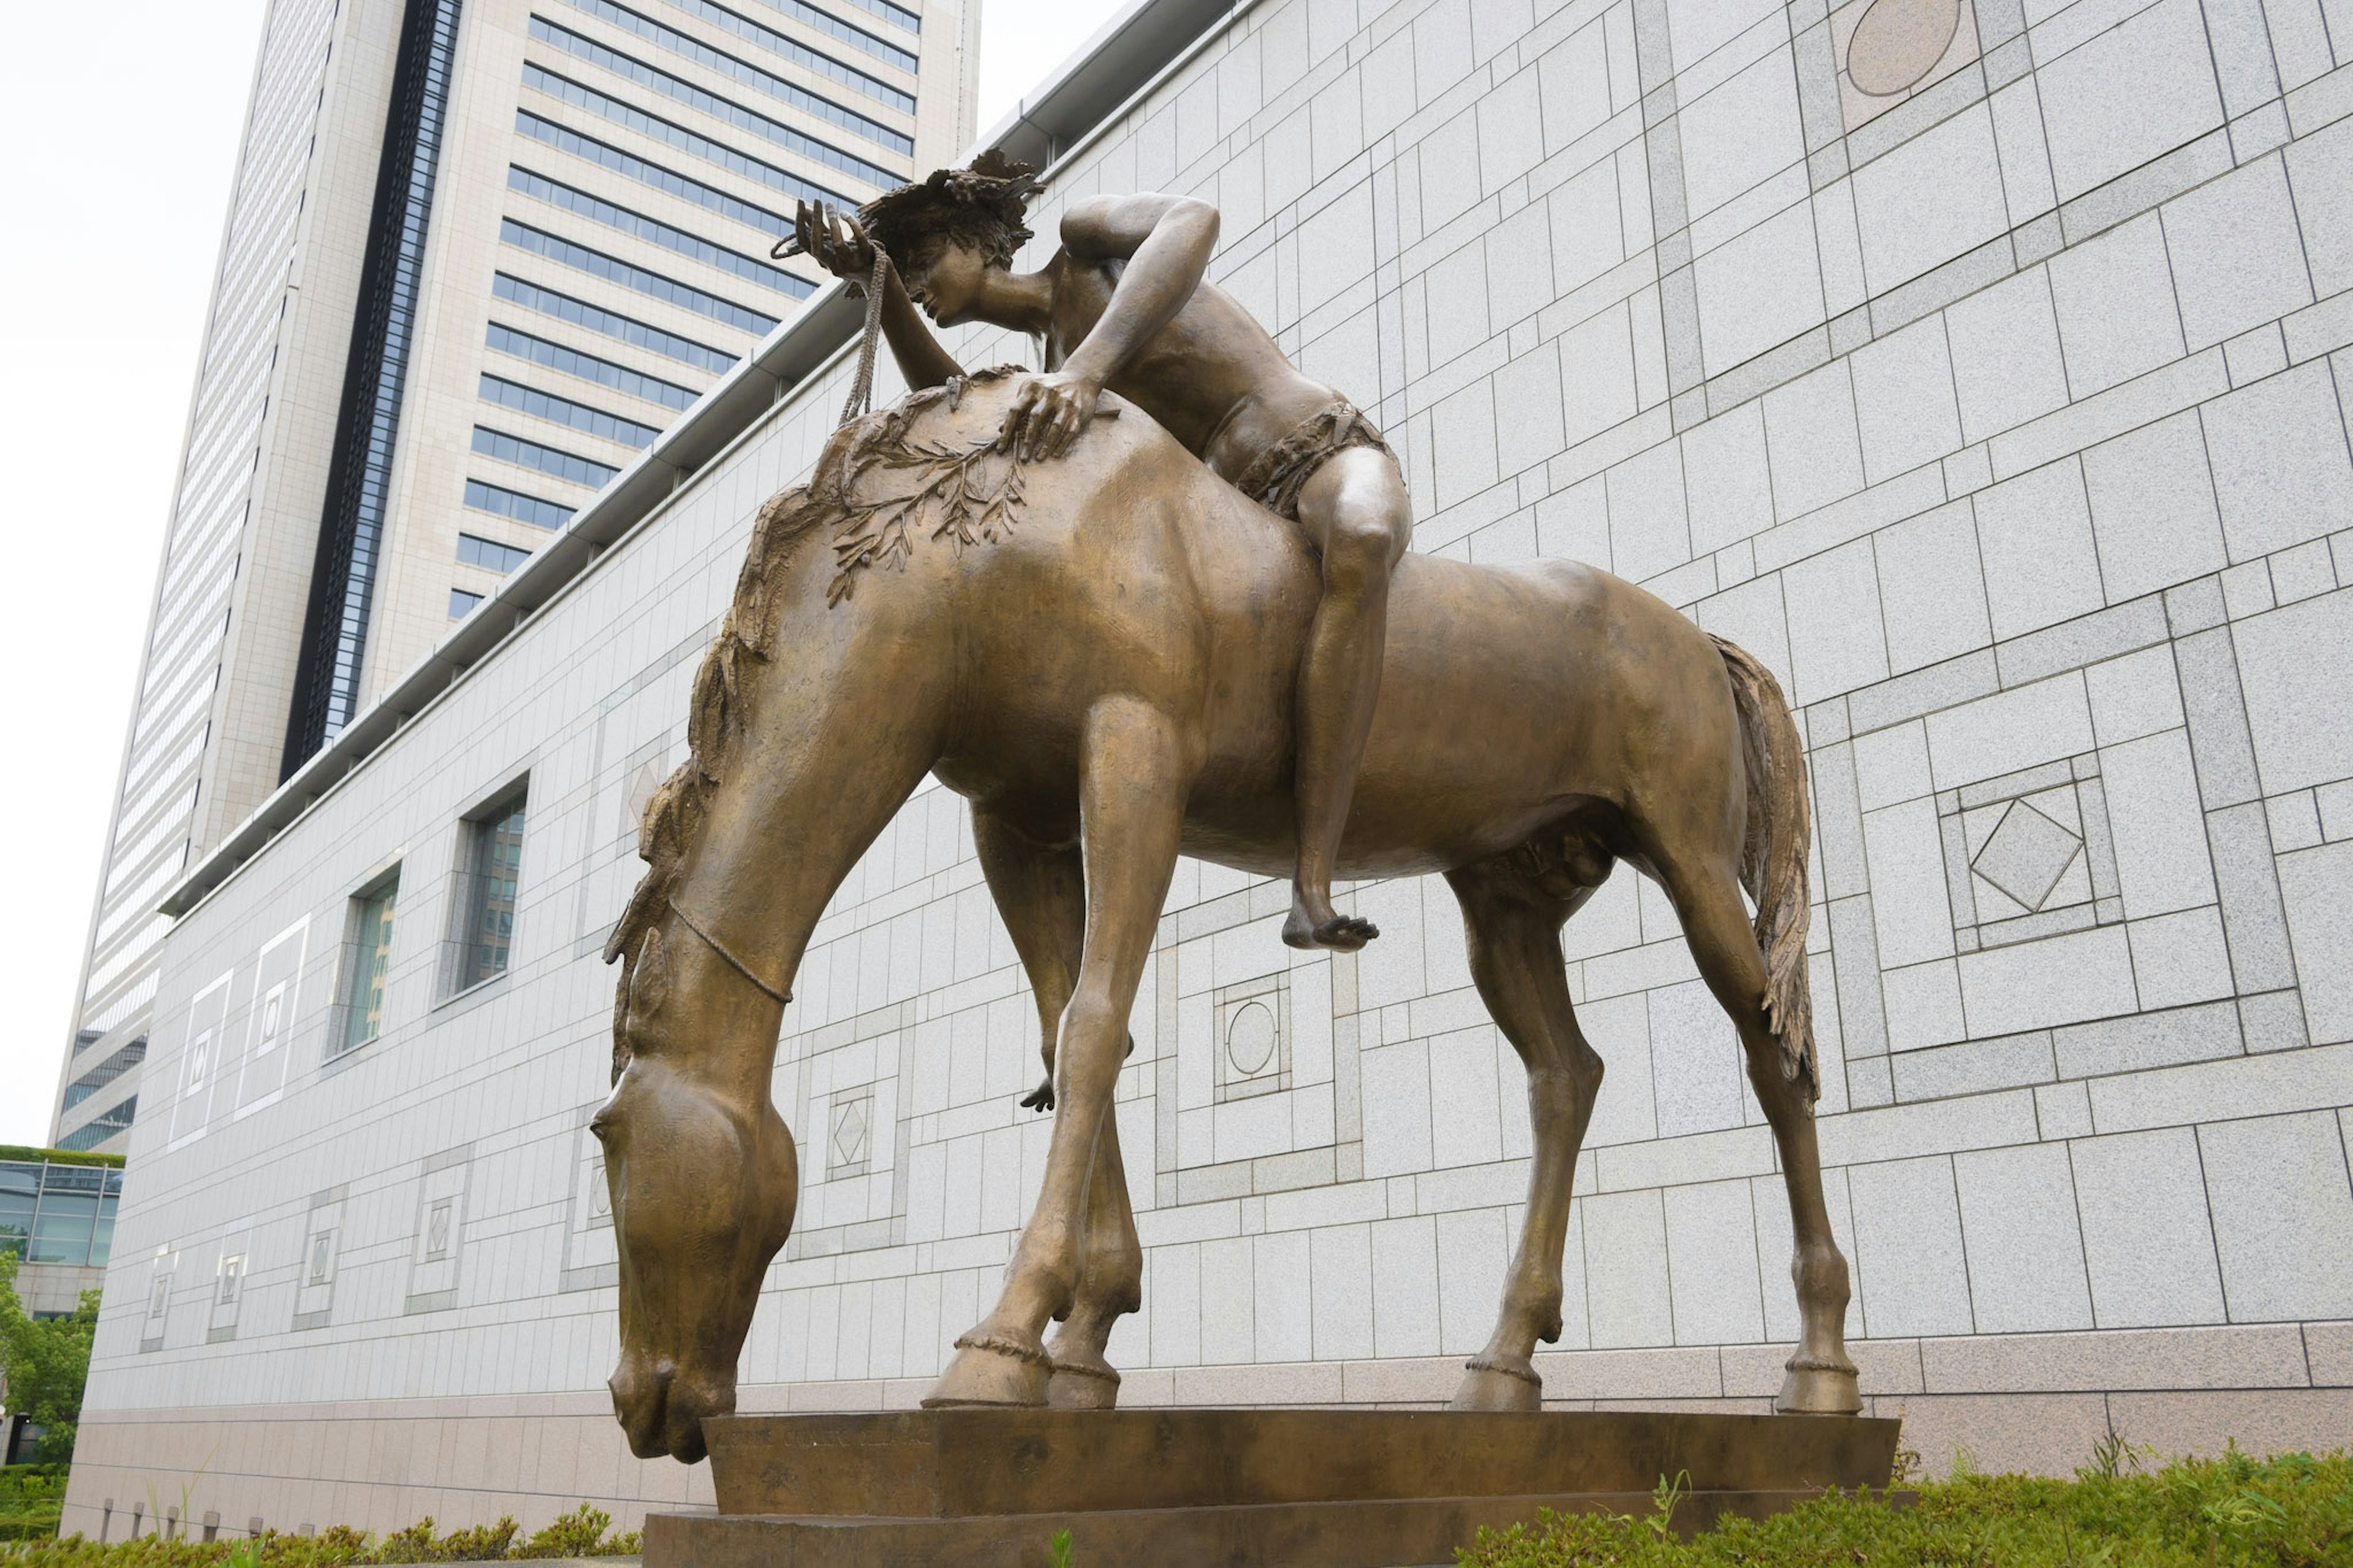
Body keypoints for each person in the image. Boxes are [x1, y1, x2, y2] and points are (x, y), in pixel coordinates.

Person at [789, 153, 1411, 951]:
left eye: (921, 263)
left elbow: (1194, 221)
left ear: (976, 243)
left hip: (1314, 448)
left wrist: (1089, 370)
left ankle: (1313, 882)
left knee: (1360, 539)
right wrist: (875, 285)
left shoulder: (1086, 245)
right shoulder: (1047, 377)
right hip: (1244, 521)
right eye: (905, 279)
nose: (921, 290)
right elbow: (962, 412)